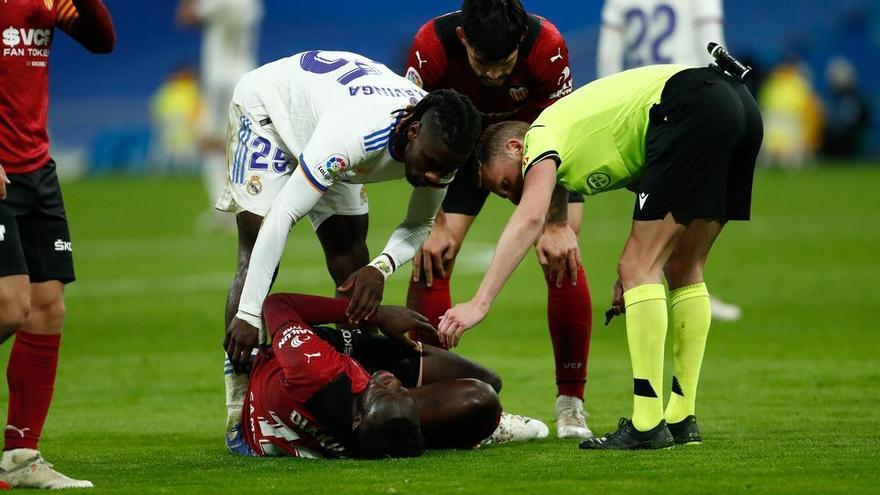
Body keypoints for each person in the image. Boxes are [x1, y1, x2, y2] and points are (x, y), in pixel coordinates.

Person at [438, 62, 763, 450]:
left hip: (691, 102)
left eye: (506, 183)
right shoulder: (583, 145)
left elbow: (530, 218)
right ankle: (681, 417)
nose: (512, 196)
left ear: (514, 147)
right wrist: (634, 278)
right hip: (739, 106)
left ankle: (647, 425)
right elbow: (654, 196)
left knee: (638, 266)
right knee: (683, 267)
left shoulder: (540, 134)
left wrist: (479, 303)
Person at [219, 50, 481, 453]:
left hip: (324, 128)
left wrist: (381, 267)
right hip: (269, 115)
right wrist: (250, 313)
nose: (434, 176)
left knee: (353, 260)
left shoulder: (442, 148)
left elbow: (419, 224)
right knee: (256, 248)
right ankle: (238, 411)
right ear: (412, 131)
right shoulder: (357, 134)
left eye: (445, 170)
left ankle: (367, 401)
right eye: (430, 163)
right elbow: (283, 215)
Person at [404, 0, 594, 440]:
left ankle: (571, 404)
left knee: (562, 253)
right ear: (464, 38)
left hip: (531, 146)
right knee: (433, 253)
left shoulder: (547, 47)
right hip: (460, 148)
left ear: (521, 42)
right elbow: (415, 136)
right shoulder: (431, 46)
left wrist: (555, 223)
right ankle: (431, 399)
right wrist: (430, 220)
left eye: (504, 65)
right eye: (482, 64)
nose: (493, 76)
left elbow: (562, 130)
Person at [0, 0, 115, 488]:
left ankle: (20, 457)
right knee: (10, 306)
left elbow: (102, 41)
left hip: (36, 170)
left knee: (48, 308)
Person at [242, 292, 546, 458]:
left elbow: (276, 304)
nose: (396, 382)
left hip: (288, 369)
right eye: (404, 393)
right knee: (484, 395)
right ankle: (482, 430)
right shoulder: (376, 428)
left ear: (358, 419)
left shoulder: (315, 368)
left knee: (490, 383)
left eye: (389, 391)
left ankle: (458, 427)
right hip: (327, 395)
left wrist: (376, 315)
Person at [597, 0, 742, 322]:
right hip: (690, 99)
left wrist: (612, 107)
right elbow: (713, 45)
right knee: (695, 205)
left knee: (651, 202)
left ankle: (646, 287)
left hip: (640, 107)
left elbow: (609, 55)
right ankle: (683, 286)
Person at [176, 0, 263, 231]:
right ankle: (249, 206)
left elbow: (186, 17)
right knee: (243, 144)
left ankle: (224, 210)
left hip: (219, 79)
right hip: (245, 74)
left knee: (209, 142)